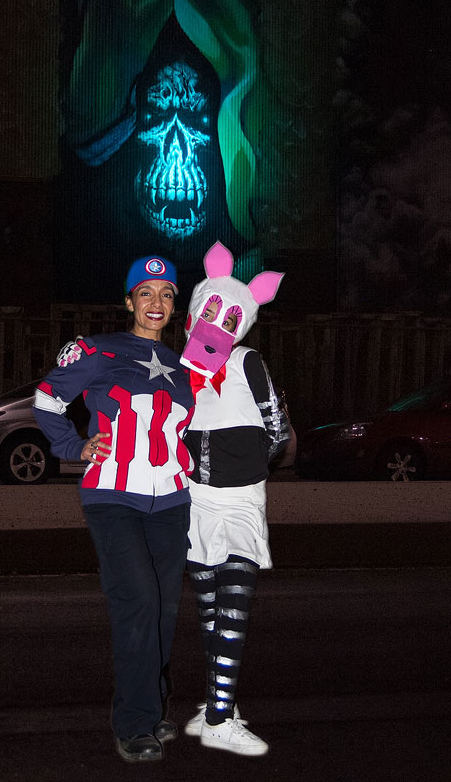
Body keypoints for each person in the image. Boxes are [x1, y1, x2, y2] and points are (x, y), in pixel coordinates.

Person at [33, 256, 195, 764]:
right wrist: (72, 446)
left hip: (173, 501)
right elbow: (47, 398)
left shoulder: (184, 367)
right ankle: (133, 722)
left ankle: (152, 704)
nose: (156, 303)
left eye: (166, 294)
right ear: (129, 302)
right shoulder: (98, 350)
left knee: (165, 608)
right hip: (113, 498)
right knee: (138, 601)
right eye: (145, 293)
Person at [179, 241, 291, 757]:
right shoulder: (176, 370)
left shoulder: (248, 362)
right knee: (210, 615)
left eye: (229, 316)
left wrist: (245, 466)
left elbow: (276, 427)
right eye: (210, 309)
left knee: (234, 612)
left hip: (241, 501)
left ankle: (220, 716)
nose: (217, 322)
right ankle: (216, 708)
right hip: (194, 503)